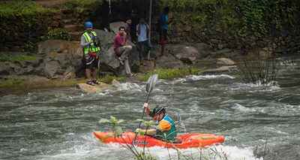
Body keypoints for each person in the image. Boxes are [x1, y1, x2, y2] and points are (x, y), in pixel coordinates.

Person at [80, 21, 101, 86]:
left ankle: (94, 79)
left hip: (95, 53)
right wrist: (89, 42)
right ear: (86, 28)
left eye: (91, 27)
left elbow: (97, 43)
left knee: (96, 67)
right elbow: (82, 45)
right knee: (88, 67)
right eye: (88, 27)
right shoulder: (84, 35)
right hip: (88, 54)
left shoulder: (94, 33)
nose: (90, 28)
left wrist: (98, 51)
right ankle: (89, 80)